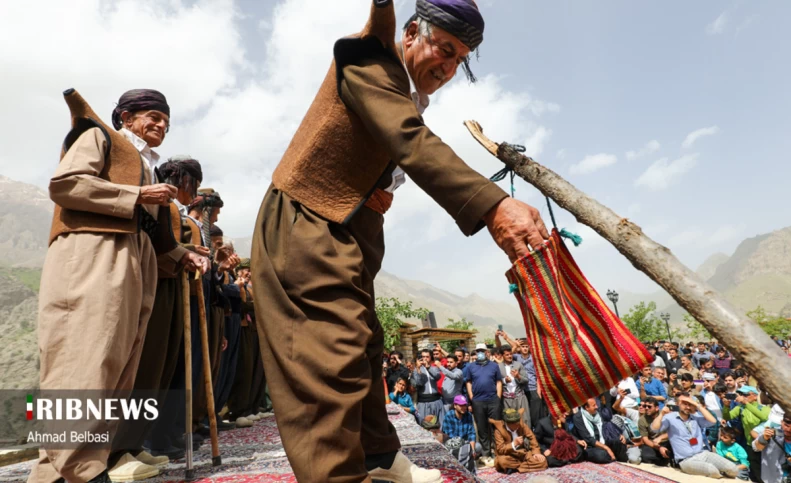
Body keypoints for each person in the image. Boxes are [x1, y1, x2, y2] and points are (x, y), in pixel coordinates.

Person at [249, 0, 551, 481]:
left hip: (354, 231)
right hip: (308, 220)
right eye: (444, 49)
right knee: (332, 358)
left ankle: (380, 459)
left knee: (366, 345)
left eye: (459, 60)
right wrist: (492, 204)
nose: (448, 67)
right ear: (411, 33)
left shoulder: (404, 90)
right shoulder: (368, 60)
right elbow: (410, 140)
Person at [30, 89, 207, 483]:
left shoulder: (146, 164)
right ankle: (75, 470)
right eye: (152, 116)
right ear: (125, 117)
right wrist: (138, 194)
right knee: (85, 356)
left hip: (137, 258)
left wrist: (182, 254)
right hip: (95, 250)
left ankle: (73, 468)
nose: (161, 124)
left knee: (117, 366)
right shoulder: (100, 137)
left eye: (166, 119)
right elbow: (66, 184)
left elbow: (158, 233)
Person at [107, 156, 208, 479]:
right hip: (156, 280)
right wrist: (182, 253)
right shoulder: (161, 200)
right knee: (144, 365)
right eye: (189, 182)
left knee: (162, 368)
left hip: (173, 283)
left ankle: (136, 442)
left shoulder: (176, 211)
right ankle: (127, 444)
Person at [651, 393, 739, 478]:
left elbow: (713, 421)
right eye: (684, 404)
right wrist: (661, 414)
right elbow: (654, 428)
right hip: (685, 460)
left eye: (690, 404)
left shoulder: (695, 416)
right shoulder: (670, 417)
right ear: (677, 404)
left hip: (702, 453)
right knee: (712, 470)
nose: (688, 407)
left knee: (732, 469)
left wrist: (697, 405)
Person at [464, 342, 503, 466]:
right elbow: (468, 382)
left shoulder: (494, 366)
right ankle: (486, 453)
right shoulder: (471, 367)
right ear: (476, 352)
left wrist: (498, 397)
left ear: (487, 352)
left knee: (496, 426)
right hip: (478, 401)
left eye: (482, 350)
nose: (480, 353)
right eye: (478, 351)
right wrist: (471, 396)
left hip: (493, 400)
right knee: (482, 427)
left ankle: (498, 450)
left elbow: (498, 382)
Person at [723, 385, 770, 482]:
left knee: (766, 470)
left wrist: (746, 403)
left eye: (745, 394)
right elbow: (728, 416)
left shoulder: (764, 408)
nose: (742, 396)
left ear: (754, 396)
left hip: (764, 444)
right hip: (749, 443)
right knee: (754, 470)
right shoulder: (741, 408)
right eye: (741, 394)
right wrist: (726, 407)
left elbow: (763, 417)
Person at [490, 409, 548, 474]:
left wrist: (536, 452)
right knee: (502, 461)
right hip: (508, 455)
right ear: (508, 423)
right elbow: (500, 449)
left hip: (522, 454)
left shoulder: (521, 424)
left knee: (543, 461)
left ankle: (515, 469)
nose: (517, 425)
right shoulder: (498, 430)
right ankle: (523, 467)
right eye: (515, 424)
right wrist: (513, 444)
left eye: (518, 423)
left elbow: (532, 437)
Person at [572, 398, 628, 464]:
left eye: (596, 404)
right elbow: (588, 439)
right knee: (601, 455)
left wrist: (618, 434)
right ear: (587, 407)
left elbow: (607, 425)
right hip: (590, 446)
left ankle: (623, 463)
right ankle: (611, 458)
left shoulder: (598, 413)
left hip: (603, 440)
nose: (597, 407)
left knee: (619, 442)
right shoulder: (578, 417)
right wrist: (606, 448)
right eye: (594, 405)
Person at [441, 395, 481, 474]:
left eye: (465, 405)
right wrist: (465, 448)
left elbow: (471, 433)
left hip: (465, 443)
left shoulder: (468, 415)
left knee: (478, 447)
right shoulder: (449, 416)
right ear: (455, 406)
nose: (464, 407)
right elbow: (450, 437)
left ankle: (469, 464)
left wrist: (472, 450)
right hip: (452, 444)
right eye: (461, 405)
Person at [412, 349, 446, 429]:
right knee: (425, 425)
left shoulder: (434, 368)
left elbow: (438, 376)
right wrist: (418, 369)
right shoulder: (416, 370)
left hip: (436, 401)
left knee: (440, 425)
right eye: (423, 357)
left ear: (430, 357)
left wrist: (428, 367)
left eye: (427, 357)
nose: (425, 359)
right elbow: (418, 383)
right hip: (424, 403)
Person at [499, 345, 531, 428]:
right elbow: (495, 382)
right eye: (507, 355)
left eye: (510, 354)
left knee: (524, 420)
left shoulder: (518, 365)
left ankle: (526, 440)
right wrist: (504, 380)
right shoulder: (498, 367)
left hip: (520, 397)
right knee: (509, 421)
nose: (509, 356)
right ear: (502, 356)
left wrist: (518, 376)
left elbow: (526, 380)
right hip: (506, 399)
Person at [752, 415, 791, 483]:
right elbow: (757, 448)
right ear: (781, 422)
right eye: (786, 425)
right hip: (771, 478)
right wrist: (764, 438)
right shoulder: (771, 432)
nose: (789, 429)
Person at [638, 397, 672, 466]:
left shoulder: (665, 415)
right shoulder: (642, 420)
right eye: (645, 406)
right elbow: (645, 440)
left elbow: (673, 432)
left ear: (656, 408)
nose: (646, 408)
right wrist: (659, 447)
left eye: (649, 406)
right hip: (652, 443)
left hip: (666, 441)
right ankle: (664, 460)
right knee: (646, 456)